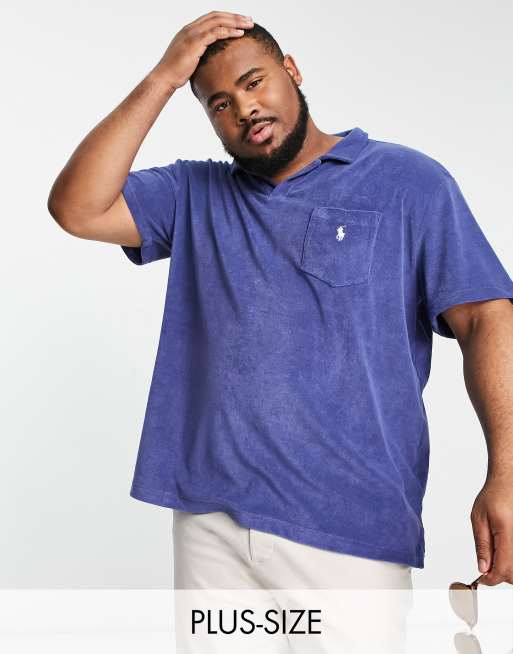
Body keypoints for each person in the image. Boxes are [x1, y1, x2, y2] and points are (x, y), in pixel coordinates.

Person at [47, 12, 513, 652]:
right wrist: (162, 78)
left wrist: (505, 473)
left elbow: (487, 317)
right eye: (219, 103)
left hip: (351, 537)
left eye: (254, 82)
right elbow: (76, 208)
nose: (244, 108)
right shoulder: (194, 193)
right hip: (214, 530)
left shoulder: (409, 183)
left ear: (291, 71)